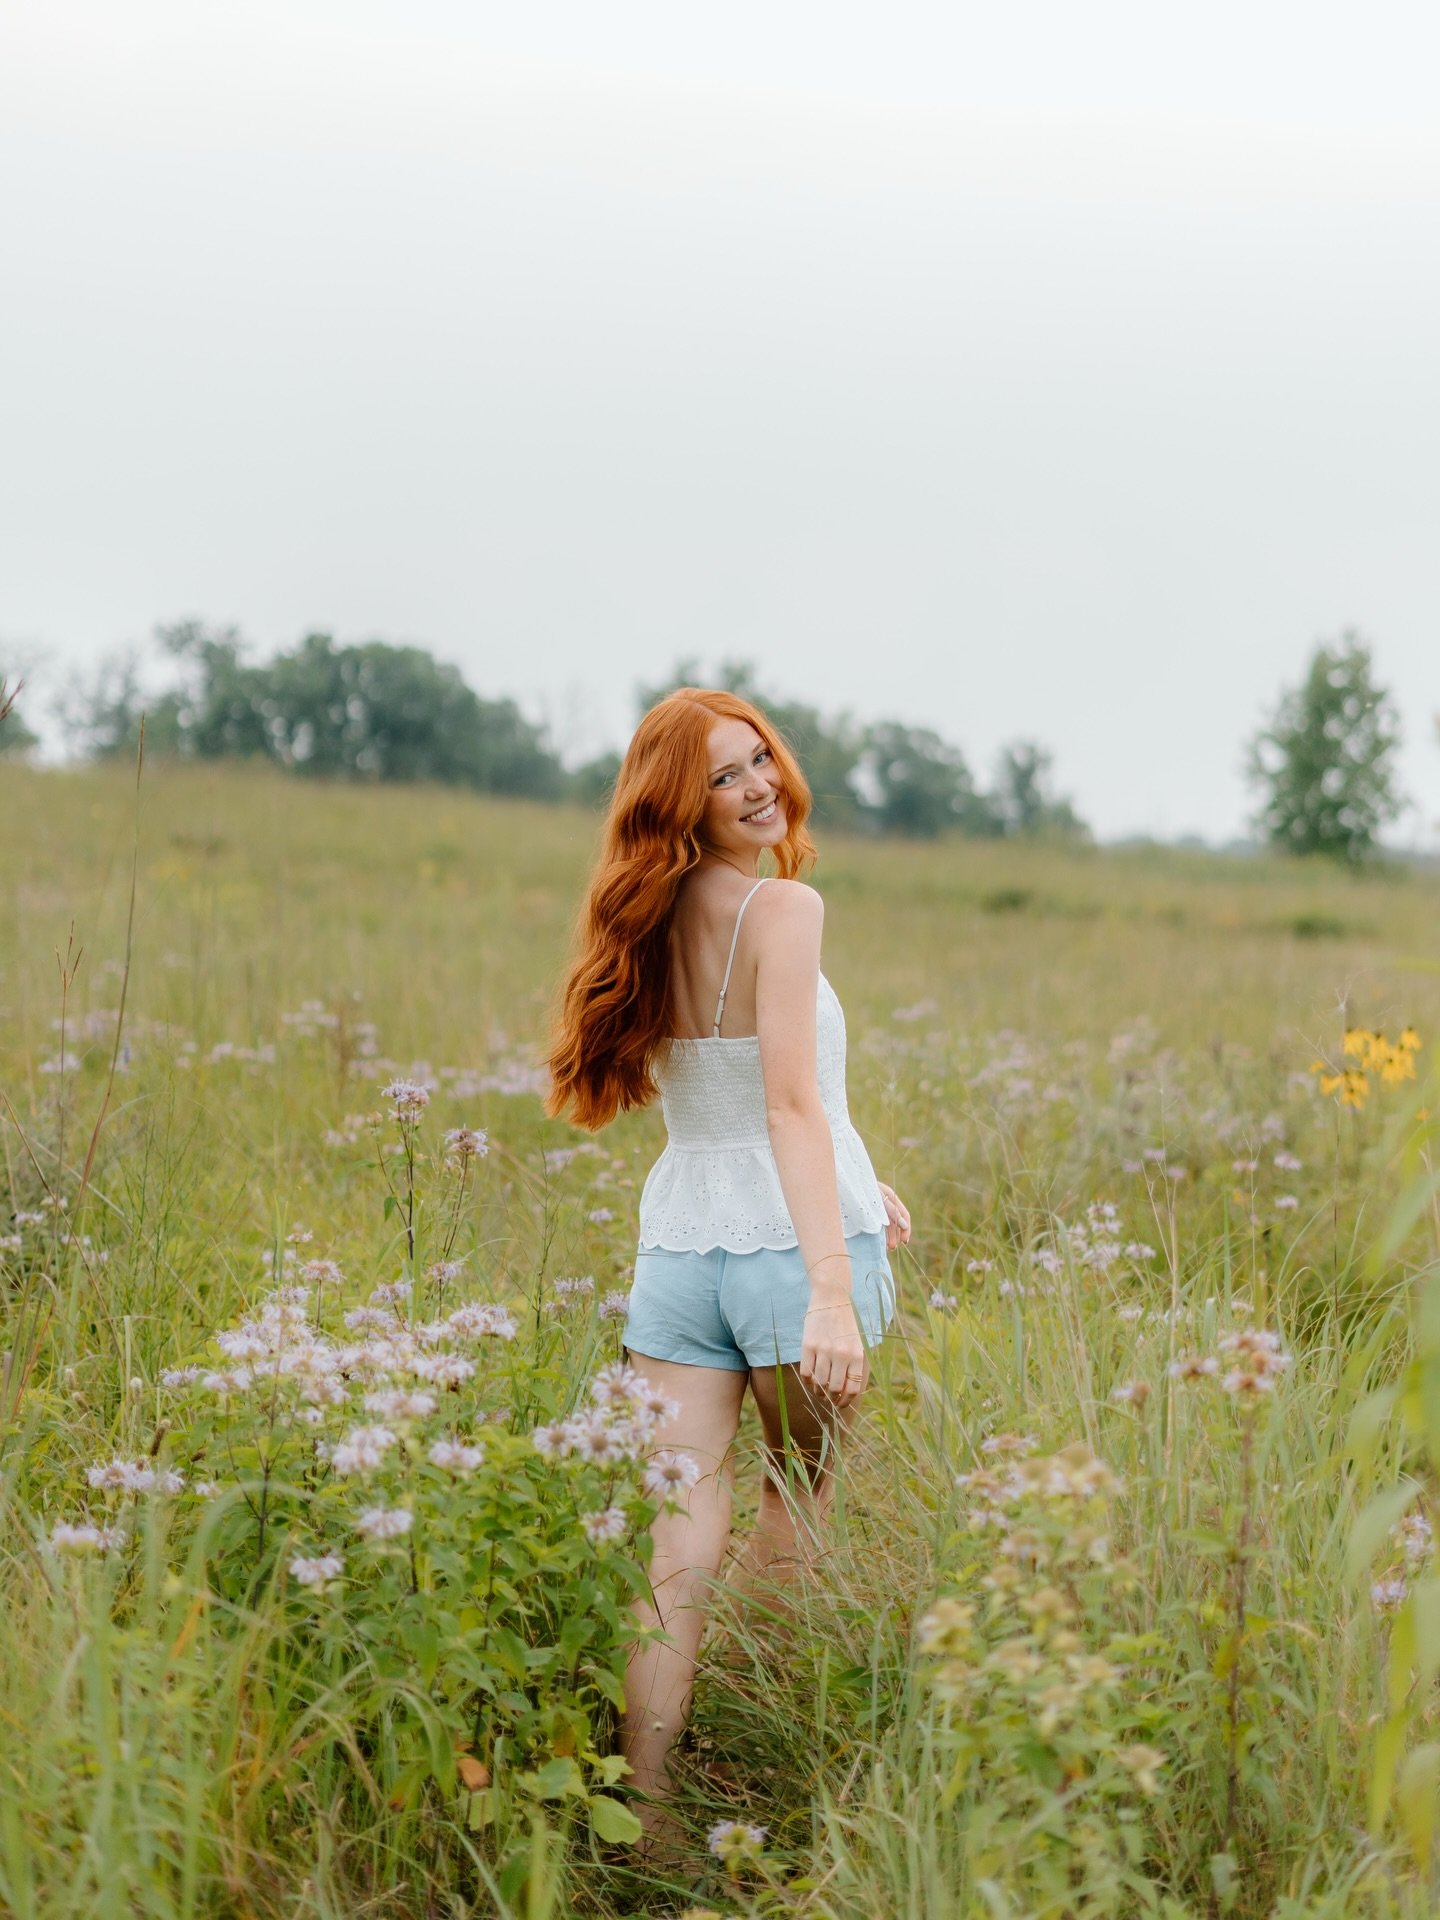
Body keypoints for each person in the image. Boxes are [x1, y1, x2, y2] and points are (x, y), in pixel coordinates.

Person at [544, 686, 913, 1840]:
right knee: (794, 1499)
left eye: (759, 759)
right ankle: (753, 1734)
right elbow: (790, 1103)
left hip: (679, 1254)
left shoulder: (641, 916)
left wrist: (866, 1176)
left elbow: (740, 1098)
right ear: (680, 802)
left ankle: (644, 1813)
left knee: (676, 1542)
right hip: (791, 1260)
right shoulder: (784, 909)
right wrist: (835, 1290)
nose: (757, 784)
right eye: (723, 775)